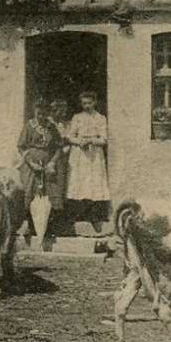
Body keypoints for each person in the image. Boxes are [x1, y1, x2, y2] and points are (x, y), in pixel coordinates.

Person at [16, 98, 69, 251]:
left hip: (48, 165)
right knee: (29, 191)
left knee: (49, 193)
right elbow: (21, 147)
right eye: (38, 113)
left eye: (44, 113)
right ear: (35, 111)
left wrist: (52, 162)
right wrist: (31, 162)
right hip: (31, 164)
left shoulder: (51, 127)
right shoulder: (29, 126)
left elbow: (59, 147)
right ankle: (26, 226)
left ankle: (47, 230)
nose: (41, 116)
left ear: (47, 113)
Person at [63, 90, 111, 237]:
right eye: (84, 103)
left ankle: (94, 216)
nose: (87, 106)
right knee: (79, 183)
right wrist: (79, 141)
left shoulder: (101, 118)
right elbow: (70, 136)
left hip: (95, 154)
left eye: (89, 103)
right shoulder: (77, 118)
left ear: (94, 103)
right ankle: (77, 216)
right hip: (79, 155)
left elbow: (104, 139)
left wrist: (92, 140)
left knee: (94, 183)